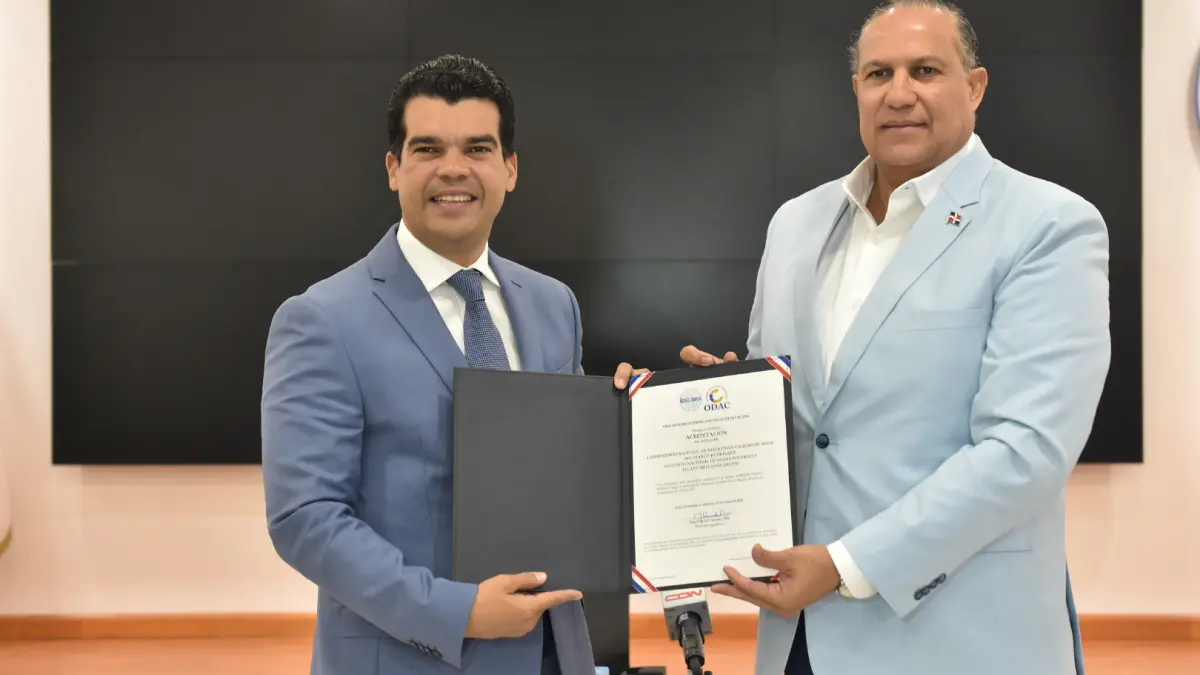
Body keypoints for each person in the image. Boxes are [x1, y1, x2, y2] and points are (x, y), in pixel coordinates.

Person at [615, 2, 1107, 674]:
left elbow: (1026, 450)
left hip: (961, 642)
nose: (898, 93)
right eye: (879, 73)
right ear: (856, 90)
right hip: (799, 640)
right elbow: (802, 423)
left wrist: (847, 564)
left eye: (925, 70)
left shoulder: (1048, 225)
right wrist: (723, 406)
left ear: (975, 87)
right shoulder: (795, 223)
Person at [261, 55, 594, 675]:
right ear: (394, 168)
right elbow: (304, 518)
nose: (453, 169)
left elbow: (570, 477)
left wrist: (651, 415)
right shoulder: (321, 319)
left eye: (478, 148)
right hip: (409, 656)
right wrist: (457, 612)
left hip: (553, 654)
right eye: (428, 149)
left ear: (510, 169)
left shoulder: (554, 305)